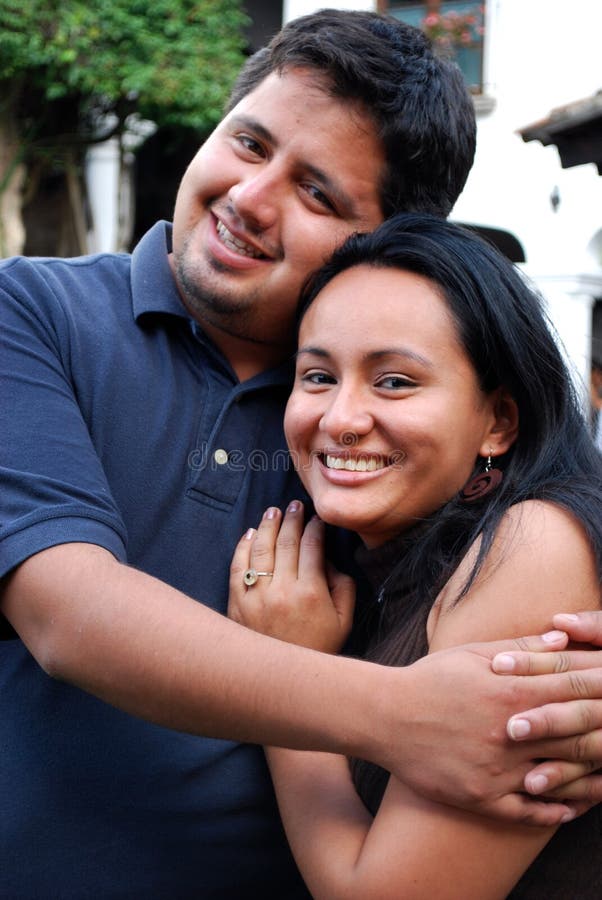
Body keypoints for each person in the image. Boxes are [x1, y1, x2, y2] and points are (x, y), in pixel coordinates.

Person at [0, 8, 601, 898]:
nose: (250, 196)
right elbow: (65, 610)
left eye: (317, 192)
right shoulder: (34, 315)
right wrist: (413, 715)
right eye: (247, 143)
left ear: (381, 238)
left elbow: (552, 531)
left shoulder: (407, 402)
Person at [228, 213, 602, 899]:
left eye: (394, 382)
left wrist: (288, 671)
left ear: (498, 421)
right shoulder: (378, 564)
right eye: (316, 376)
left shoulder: (536, 542)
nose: (340, 418)